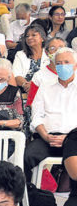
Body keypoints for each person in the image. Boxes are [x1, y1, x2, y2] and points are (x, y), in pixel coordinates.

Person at [25, 47, 77, 192]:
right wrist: (46, 136)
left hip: (74, 139)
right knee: (26, 157)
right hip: (47, 138)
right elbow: (37, 116)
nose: (62, 66)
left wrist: (68, 139)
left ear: (75, 65)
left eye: (66, 62)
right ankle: (28, 198)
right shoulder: (45, 87)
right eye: (59, 63)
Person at [13, 24, 50, 95]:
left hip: (45, 91)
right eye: (27, 36)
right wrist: (26, 85)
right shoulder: (20, 54)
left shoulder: (49, 55)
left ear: (42, 38)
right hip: (25, 91)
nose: (29, 38)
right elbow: (16, 75)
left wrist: (35, 86)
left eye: (33, 35)